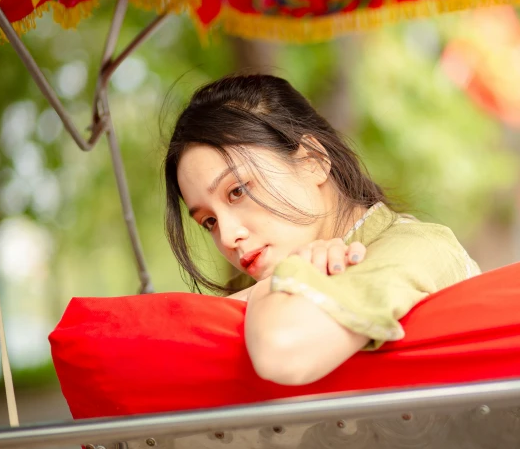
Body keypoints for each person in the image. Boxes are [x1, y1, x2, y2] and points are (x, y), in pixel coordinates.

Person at [164, 73, 480, 386]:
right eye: (209, 221)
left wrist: (274, 282)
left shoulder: (418, 249)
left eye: (237, 191)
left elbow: (282, 353)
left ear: (312, 160)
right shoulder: (266, 288)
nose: (228, 236)